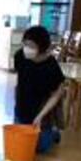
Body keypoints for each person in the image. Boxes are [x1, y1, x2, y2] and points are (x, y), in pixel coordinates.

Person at [14, 25, 65, 153]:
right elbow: (20, 83)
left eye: (31, 46)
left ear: (42, 47)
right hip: (22, 109)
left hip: (42, 111)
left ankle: (54, 133)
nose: (26, 48)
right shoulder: (19, 56)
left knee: (40, 147)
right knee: (22, 143)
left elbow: (57, 94)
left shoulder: (51, 66)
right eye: (25, 44)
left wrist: (40, 116)